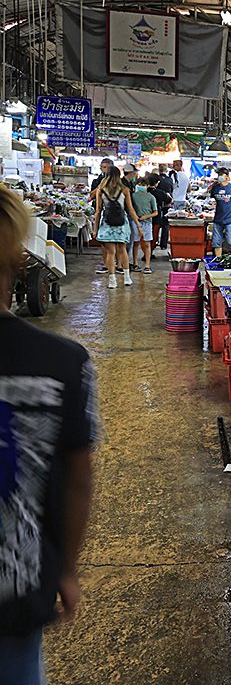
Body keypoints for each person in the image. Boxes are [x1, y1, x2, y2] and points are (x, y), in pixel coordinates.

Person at [0, 185, 100, 684]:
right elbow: (78, 480)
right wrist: (66, 567)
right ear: (20, 260)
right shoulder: (62, 362)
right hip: (15, 588)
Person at [93, 167, 139, 288]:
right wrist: (138, 225)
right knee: (122, 250)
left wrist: (95, 228)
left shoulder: (100, 190)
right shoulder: (125, 189)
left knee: (110, 253)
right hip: (121, 223)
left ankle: (112, 281)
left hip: (107, 223)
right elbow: (131, 209)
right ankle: (127, 278)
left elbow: (98, 211)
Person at [89, 159, 115, 273]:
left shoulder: (118, 182)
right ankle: (106, 264)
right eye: (103, 167)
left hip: (116, 214)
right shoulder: (97, 181)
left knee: (117, 242)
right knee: (104, 241)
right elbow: (91, 196)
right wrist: (100, 186)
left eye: (107, 167)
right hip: (102, 213)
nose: (105, 170)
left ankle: (118, 265)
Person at [208, 168, 231, 257]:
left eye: (221, 174)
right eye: (219, 175)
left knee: (230, 241)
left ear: (227, 176)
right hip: (218, 218)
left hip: (230, 218)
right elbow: (212, 200)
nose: (220, 177)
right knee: (216, 242)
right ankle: (218, 259)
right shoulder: (215, 188)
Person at [130, 177, 158, 274]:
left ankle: (147, 265)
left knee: (147, 243)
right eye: (139, 184)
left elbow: (155, 212)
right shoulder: (133, 196)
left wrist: (146, 216)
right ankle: (135, 263)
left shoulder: (151, 197)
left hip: (147, 222)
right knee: (136, 243)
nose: (141, 186)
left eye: (143, 185)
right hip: (135, 221)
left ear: (147, 186)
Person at [146, 173, 172, 257]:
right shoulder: (160, 193)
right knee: (154, 236)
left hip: (144, 216)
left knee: (145, 236)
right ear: (157, 183)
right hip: (156, 216)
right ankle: (150, 252)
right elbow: (170, 200)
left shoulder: (143, 192)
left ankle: (146, 253)